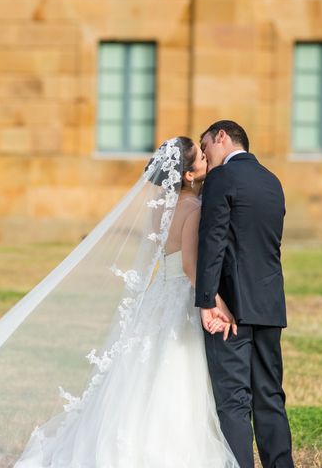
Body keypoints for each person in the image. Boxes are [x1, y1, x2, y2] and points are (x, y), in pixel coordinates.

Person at [14, 137, 239, 468]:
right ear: (188, 175)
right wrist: (217, 301)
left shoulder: (158, 209)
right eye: (201, 159)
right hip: (179, 297)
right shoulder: (193, 208)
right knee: (176, 372)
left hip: (157, 296)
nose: (207, 160)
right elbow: (190, 267)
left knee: (141, 374)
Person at [196, 120, 295, 468]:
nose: (204, 153)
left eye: (205, 144)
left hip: (232, 308)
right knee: (269, 396)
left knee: (234, 400)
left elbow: (213, 241)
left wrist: (207, 301)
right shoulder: (273, 181)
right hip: (269, 304)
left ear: (221, 137)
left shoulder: (221, 178)